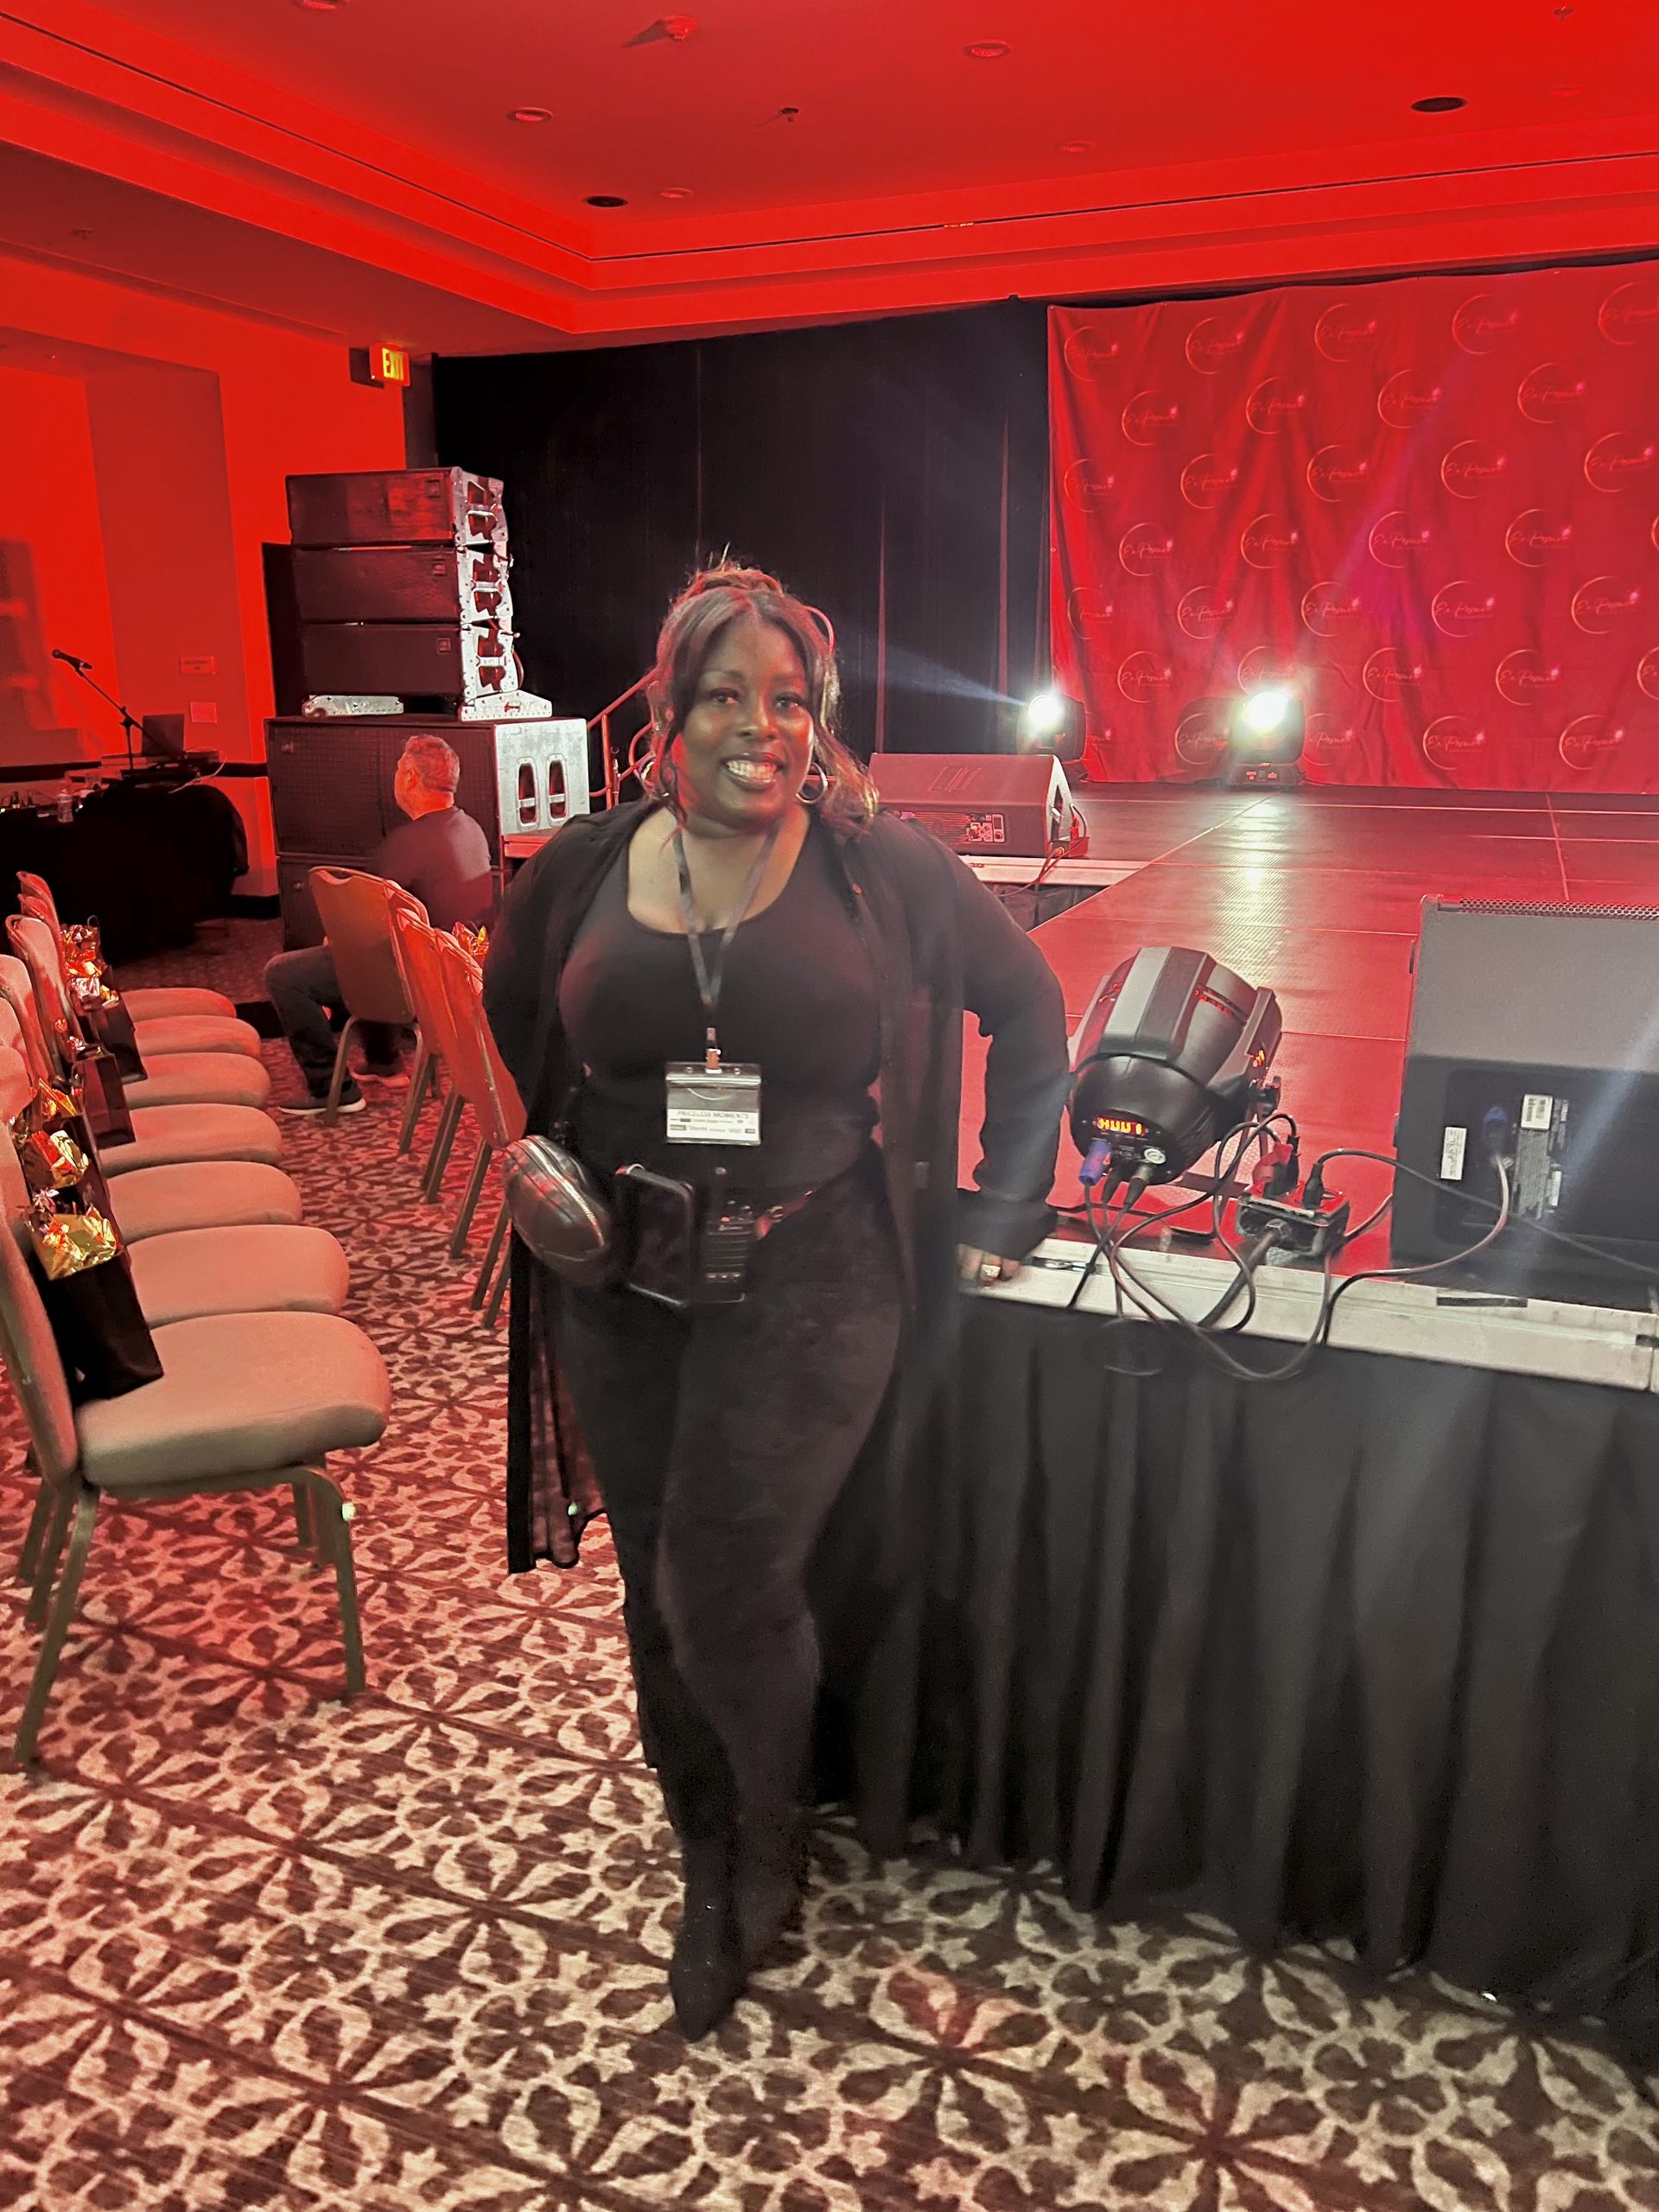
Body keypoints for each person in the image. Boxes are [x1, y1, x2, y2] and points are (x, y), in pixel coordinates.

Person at [482, 563, 1069, 2037]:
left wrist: (1009, 1195)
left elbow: (1034, 1005)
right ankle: (703, 1842)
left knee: (722, 1583)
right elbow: (513, 1013)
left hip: (815, 1271)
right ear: (664, 720)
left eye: (791, 699)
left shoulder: (883, 868)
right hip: (616, 1281)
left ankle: (764, 1840)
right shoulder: (580, 866)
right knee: (650, 1588)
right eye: (726, 697)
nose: (764, 727)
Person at [264, 733, 493, 1115]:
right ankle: (384, 1061)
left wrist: (335, 938)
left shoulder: (408, 844)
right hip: (455, 973)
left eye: (399, 768)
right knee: (370, 949)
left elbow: (366, 924)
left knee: (286, 974)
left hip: (419, 981)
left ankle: (331, 1089)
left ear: (409, 779)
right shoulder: (470, 828)